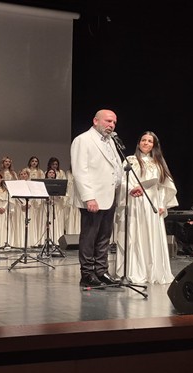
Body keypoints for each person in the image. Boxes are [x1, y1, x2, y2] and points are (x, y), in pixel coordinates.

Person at [114, 131, 178, 285]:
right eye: (143, 140)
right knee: (134, 233)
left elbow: (163, 186)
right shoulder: (130, 160)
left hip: (152, 204)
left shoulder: (158, 163)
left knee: (151, 233)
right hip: (135, 202)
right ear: (139, 142)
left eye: (150, 141)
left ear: (154, 145)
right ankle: (134, 271)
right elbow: (122, 181)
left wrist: (162, 204)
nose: (146, 143)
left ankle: (152, 272)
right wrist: (131, 189)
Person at [70, 109, 123, 287]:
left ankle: (101, 271)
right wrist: (88, 197)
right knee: (89, 236)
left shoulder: (111, 141)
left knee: (104, 237)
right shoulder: (83, 140)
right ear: (95, 121)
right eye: (108, 121)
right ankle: (87, 273)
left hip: (109, 196)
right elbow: (80, 171)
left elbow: (115, 167)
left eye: (114, 123)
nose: (111, 125)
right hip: (93, 199)